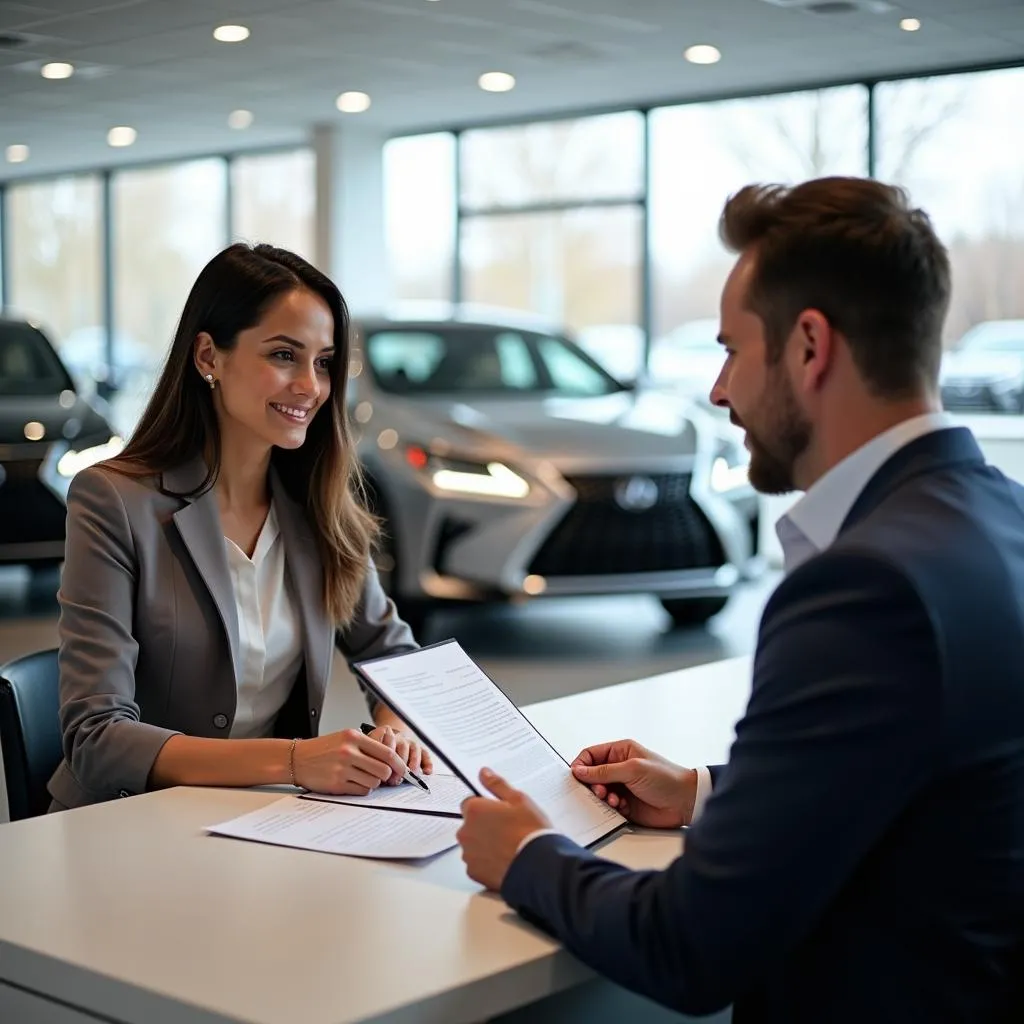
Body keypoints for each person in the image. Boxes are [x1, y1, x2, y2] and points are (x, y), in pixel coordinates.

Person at [456, 177, 1024, 1021]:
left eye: (730, 350)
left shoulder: (864, 585)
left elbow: (689, 947)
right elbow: (928, 782)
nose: (719, 391)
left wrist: (528, 853)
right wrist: (706, 794)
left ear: (808, 346)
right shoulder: (1002, 516)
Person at [49, 243, 432, 811]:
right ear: (208, 356)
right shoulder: (113, 501)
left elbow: (393, 652)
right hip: (131, 821)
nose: (310, 386)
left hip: (264, 819)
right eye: (284, 355)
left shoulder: (317, 505)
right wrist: (296, 760)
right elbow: (96, 737)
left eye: (323, 362)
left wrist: (398, 724)